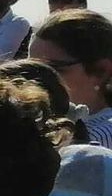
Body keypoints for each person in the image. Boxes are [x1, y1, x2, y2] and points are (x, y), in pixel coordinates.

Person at [30, 9, 112, 146]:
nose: (34, 80)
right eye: (30, 67)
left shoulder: (100, 136)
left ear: (101, 71)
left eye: (53, 69)